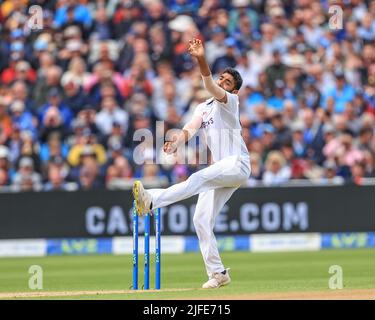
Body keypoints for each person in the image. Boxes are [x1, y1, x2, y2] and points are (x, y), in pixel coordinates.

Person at [132, 38, 251, 289]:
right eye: (222, 79)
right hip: (223, 169)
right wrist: (176, 142)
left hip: (236, 163)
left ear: (234, 90)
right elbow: (189, 129)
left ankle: (151, 200)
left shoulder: (230, 102)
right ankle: (218, 273)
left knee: (197, 179)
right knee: (200, 219)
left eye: (227, 82)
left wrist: (200, 59)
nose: (222, 83)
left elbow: (208, 83)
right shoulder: (203, 107)